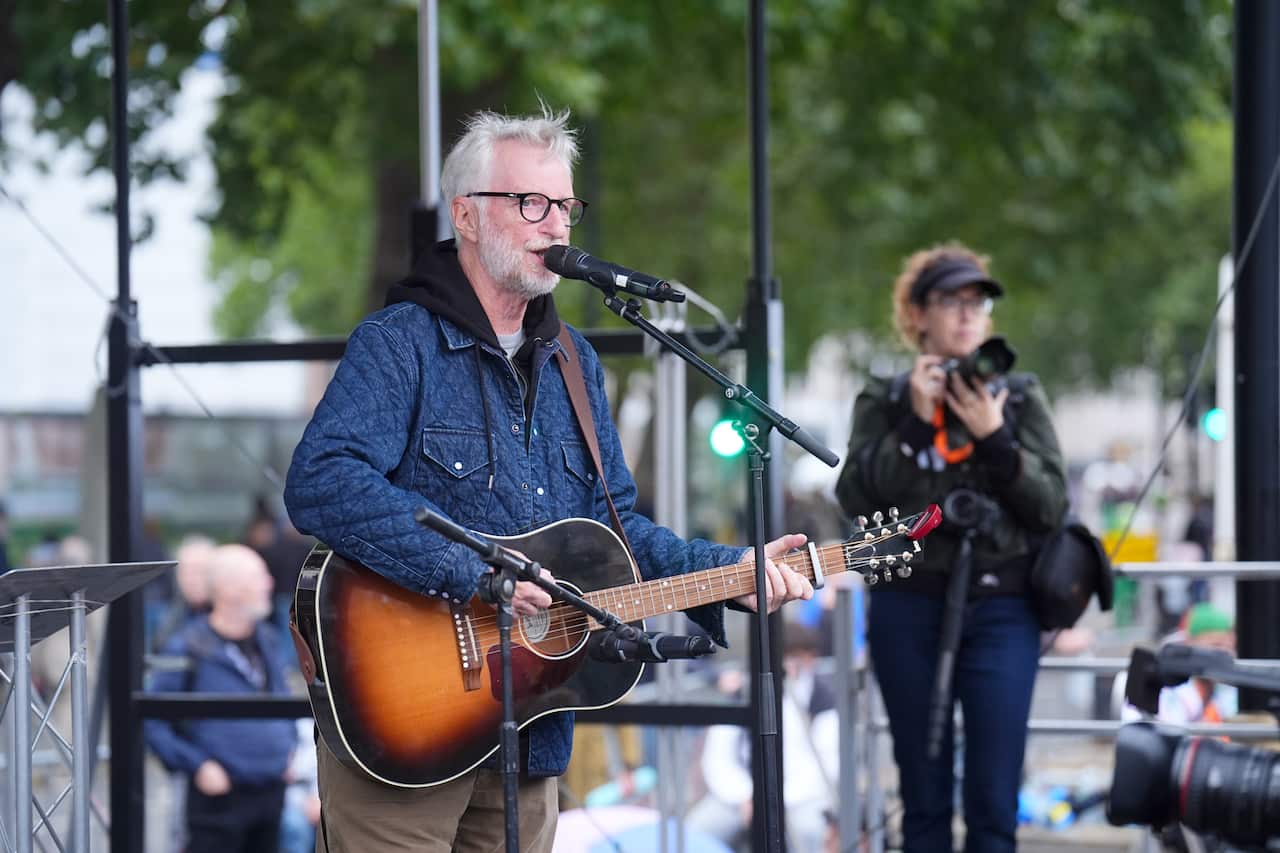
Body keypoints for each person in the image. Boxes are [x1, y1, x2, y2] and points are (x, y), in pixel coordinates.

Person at [283, 105, 814, 852]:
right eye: (530, 203)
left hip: (529, 739)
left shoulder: (576, 362)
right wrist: (477, 573)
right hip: (401, 735)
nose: (555, 224)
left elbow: (618, 531)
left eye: (564, 205)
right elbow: (322, 481)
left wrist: (731, 571)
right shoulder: (399, 343)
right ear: (466, 215)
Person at [835, 243, 1068, 853]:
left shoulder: (1016, 397)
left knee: (994, 799)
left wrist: (996, 440)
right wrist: (914, 425)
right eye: (950, 302)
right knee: (923, 796)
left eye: (978, 302)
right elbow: (857, 502)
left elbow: (1051, 508)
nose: (968, 315)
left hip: (1001, 608)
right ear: (917, 316)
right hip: (908, 606)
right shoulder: (885, 399)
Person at [144, 544, 297, 853]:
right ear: (227, 589)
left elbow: (282, 697)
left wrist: (290, 749)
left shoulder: (266, 639)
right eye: (258, 576)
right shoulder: (187, 646)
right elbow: (151, 717)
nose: (269, 583)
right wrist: (197, 765)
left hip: (271, 792)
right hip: (218, 803)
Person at [687, 625, 838, 852]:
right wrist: (749, 796)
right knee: (697, 831)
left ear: (810, 659)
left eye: (795, 657)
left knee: (809, 831)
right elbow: (718, 758)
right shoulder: (744, 692)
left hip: (800, 799)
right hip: (741, 797)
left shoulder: (822, 700)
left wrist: (776, 801)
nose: (787, 665)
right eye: (783, 657)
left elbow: (824, 768)